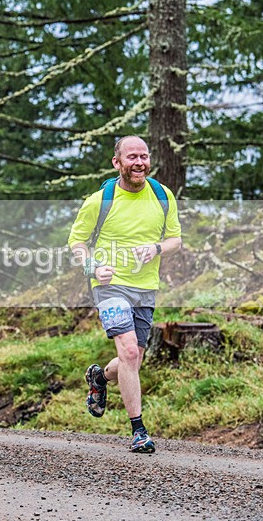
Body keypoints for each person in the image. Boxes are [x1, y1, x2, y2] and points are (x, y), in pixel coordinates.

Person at [68, 135, 182, 453]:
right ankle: (138, 431)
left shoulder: (162, 195)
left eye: (143, 156)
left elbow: (175, 239)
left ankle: (99, 378)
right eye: (131, 157)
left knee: (133, 360)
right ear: (117, 163)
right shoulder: (101, 200)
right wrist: (92, 267)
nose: (139, 162)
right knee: (129, 352)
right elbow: (76, 241)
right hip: (110, 284)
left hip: (145, 287)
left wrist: (156, 247)